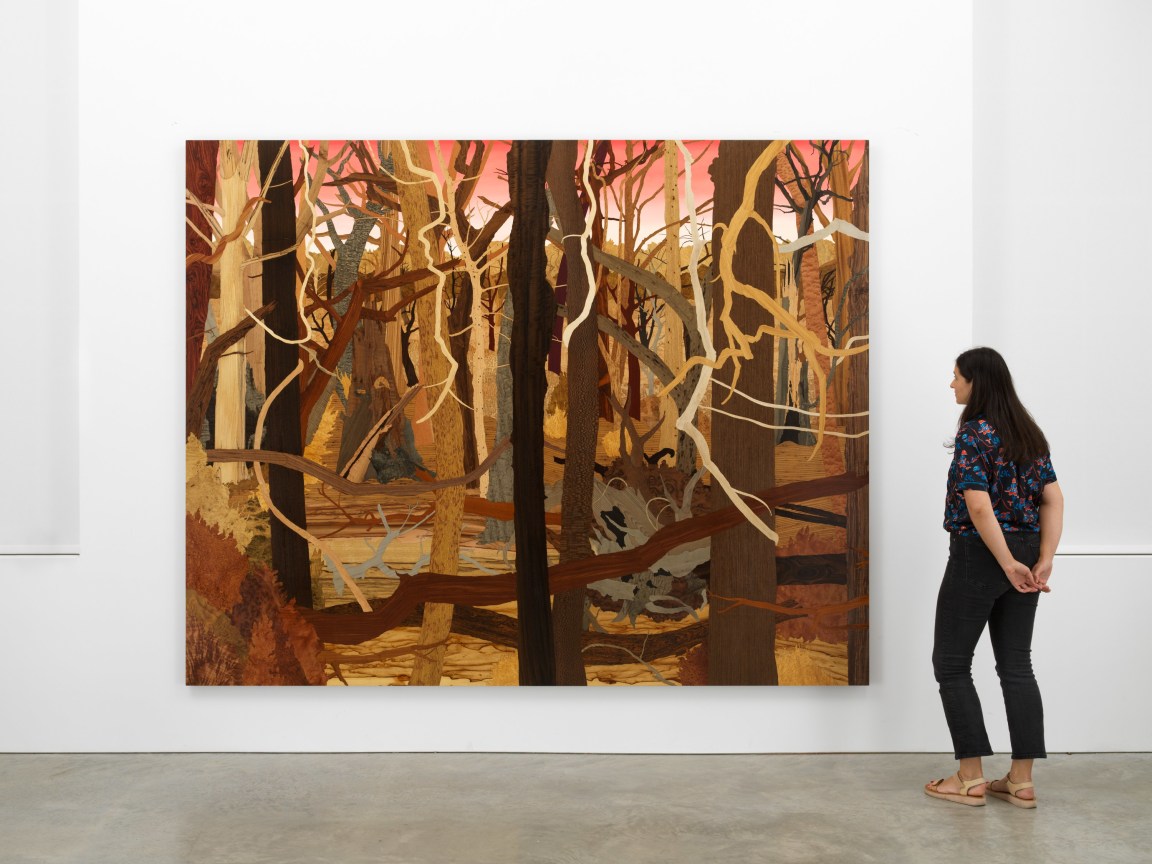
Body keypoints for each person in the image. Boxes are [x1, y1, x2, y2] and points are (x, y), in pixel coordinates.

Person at [924, 347, 1064, 809]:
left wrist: (1004, 561)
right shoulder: (1027, 432)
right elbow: (1054, 499)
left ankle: (969, 779)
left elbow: (978, 505)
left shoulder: (975, 435)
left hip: (983, 554)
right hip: (1025, 549)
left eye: (956, 376)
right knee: (1016, 665)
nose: (952, 384)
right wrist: (1043, 557)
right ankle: (1021, 782)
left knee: (951, 663)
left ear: (976, 382)